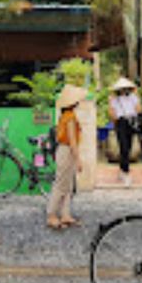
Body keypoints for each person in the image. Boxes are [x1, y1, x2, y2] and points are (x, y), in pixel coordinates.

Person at [46, 84, 87, 229]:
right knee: (61, 185)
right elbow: (72, 141)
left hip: (64, 150)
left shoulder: (65, 116)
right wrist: (78, 160)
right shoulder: (69, 117)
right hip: (66, 151)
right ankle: (51, 215)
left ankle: (65, 214)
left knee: (68, 185)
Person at [108, 77, 141, 186]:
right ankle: (126, 173)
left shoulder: (133, 97)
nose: (124, 90)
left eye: (126, 88)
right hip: (121, 122)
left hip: (131, 122)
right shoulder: (115, 100)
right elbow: (113, 117)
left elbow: (139, 110)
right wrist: (110, 104)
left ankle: (122, 169)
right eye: (122, 88)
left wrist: (137, 97)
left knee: (129, 147)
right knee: (124, 146)